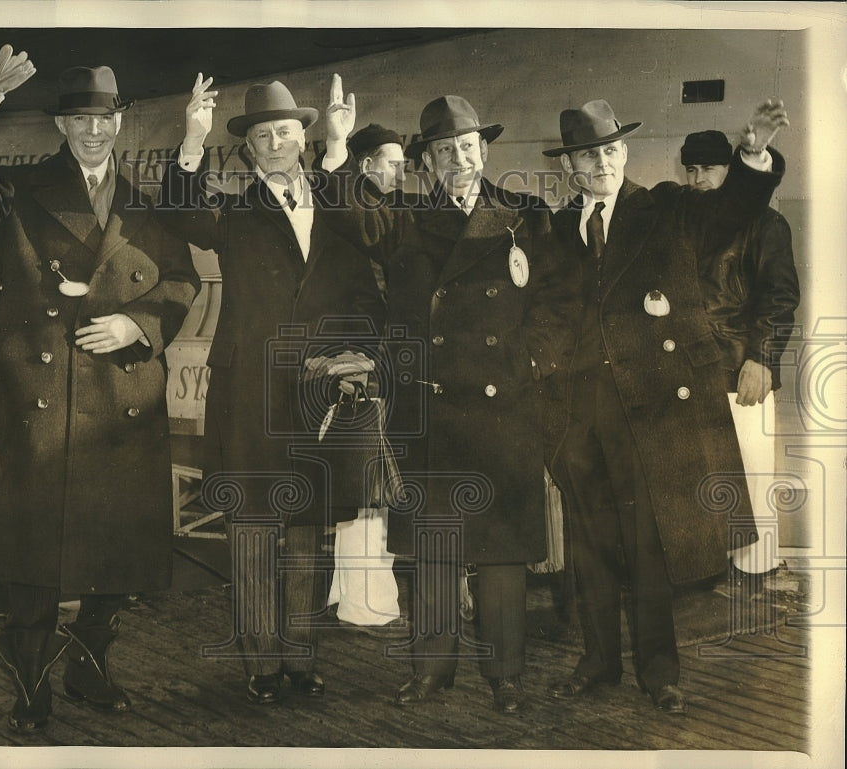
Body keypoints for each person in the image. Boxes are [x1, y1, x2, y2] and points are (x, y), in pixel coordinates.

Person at [0, 63, 201, 733]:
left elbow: (181, 280)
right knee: (32, 549)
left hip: (121, 397)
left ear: (119, 122)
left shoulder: (144, 200)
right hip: (38, 399)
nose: (93, 130)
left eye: (104, 118)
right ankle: (29, 676)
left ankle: (90, 662)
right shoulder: (19, 188)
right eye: (80, 119)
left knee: (116, 547)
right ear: (61, 125)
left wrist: (138, 324)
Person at [322, 77, 576, 714]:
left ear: (483, 152)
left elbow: (557, 302)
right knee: (431, 552)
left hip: (504, 408)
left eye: (467, 147)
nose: (458, 159)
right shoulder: (405, 219)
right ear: (427, 162)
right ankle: (431, 672)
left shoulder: (525, 215)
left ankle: (506, 676)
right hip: (430, 409)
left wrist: (532, 361)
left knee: (501, 555)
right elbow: (350, 215)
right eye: (443, 151)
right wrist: (336, 147)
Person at [540, 98, 788, 715]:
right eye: (587, 155)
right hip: (579, 415)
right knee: (590, 545)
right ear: (570, 166)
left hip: (647, 412)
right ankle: (598, 662)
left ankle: (659, 672)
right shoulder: (555, 228)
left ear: (624, 152)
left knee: (649, 546)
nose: (601, 163)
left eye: (609, 150)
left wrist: (753, 156)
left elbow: (734, 209)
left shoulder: (669, 208)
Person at [161, 75, 384, 705]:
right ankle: (261, 662)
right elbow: (180, 213)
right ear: (249, 149)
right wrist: (192, 141)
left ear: (304, 138)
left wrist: (356, 356)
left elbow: (368, 285)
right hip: (250, 392)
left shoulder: (339, 206)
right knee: (255, 526)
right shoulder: (232, 211)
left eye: (286, 131)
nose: (276, 143)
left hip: (321, 395)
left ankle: (301, 656)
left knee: (309, 526)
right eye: (263, 136)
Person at [681, 129, 800, 588]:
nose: (698, 179)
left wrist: (762, 360)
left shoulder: (767, 225)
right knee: (704, 477)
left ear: (732, 171)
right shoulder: (685, 221)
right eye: (691, 170)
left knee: (751, 475)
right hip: (694, 372)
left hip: (741, 371)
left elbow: (780, 299)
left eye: (708, 169)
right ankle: (711, 572)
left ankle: (756, 574)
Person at [326, 123, 407, 632]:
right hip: (369, 361)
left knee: (363, 482)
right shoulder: (359, 212)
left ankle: (352, 592)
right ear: (366, 164)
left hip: (367, 357)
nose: (401, 171)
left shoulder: (373, 207)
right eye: (392, 162)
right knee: (369, 484)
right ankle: (367, 600)